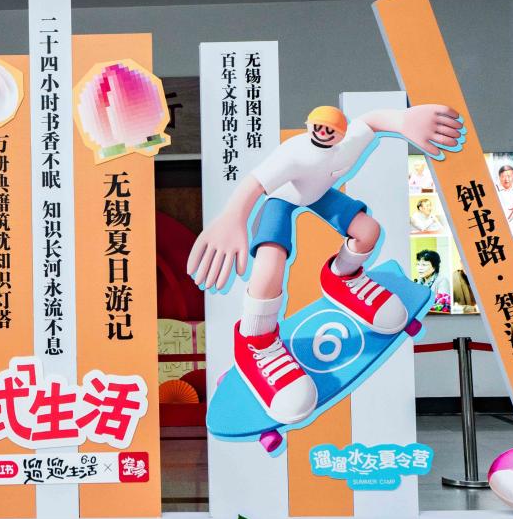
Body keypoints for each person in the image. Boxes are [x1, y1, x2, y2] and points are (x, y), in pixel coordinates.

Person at [188, 103, 463, 424]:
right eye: (317, 127)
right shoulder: (294, 154)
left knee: (368, 231)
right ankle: (255, 340)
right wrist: (234, 216)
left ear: (342, 133)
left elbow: (371, 120)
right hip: (282, 198)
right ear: (308, 126)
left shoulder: (349, 144)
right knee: (270, 263)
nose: (322, 133)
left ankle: (342, 276)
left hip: (316, 192)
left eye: (329, 130)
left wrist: (402, 121)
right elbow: (254, 184)